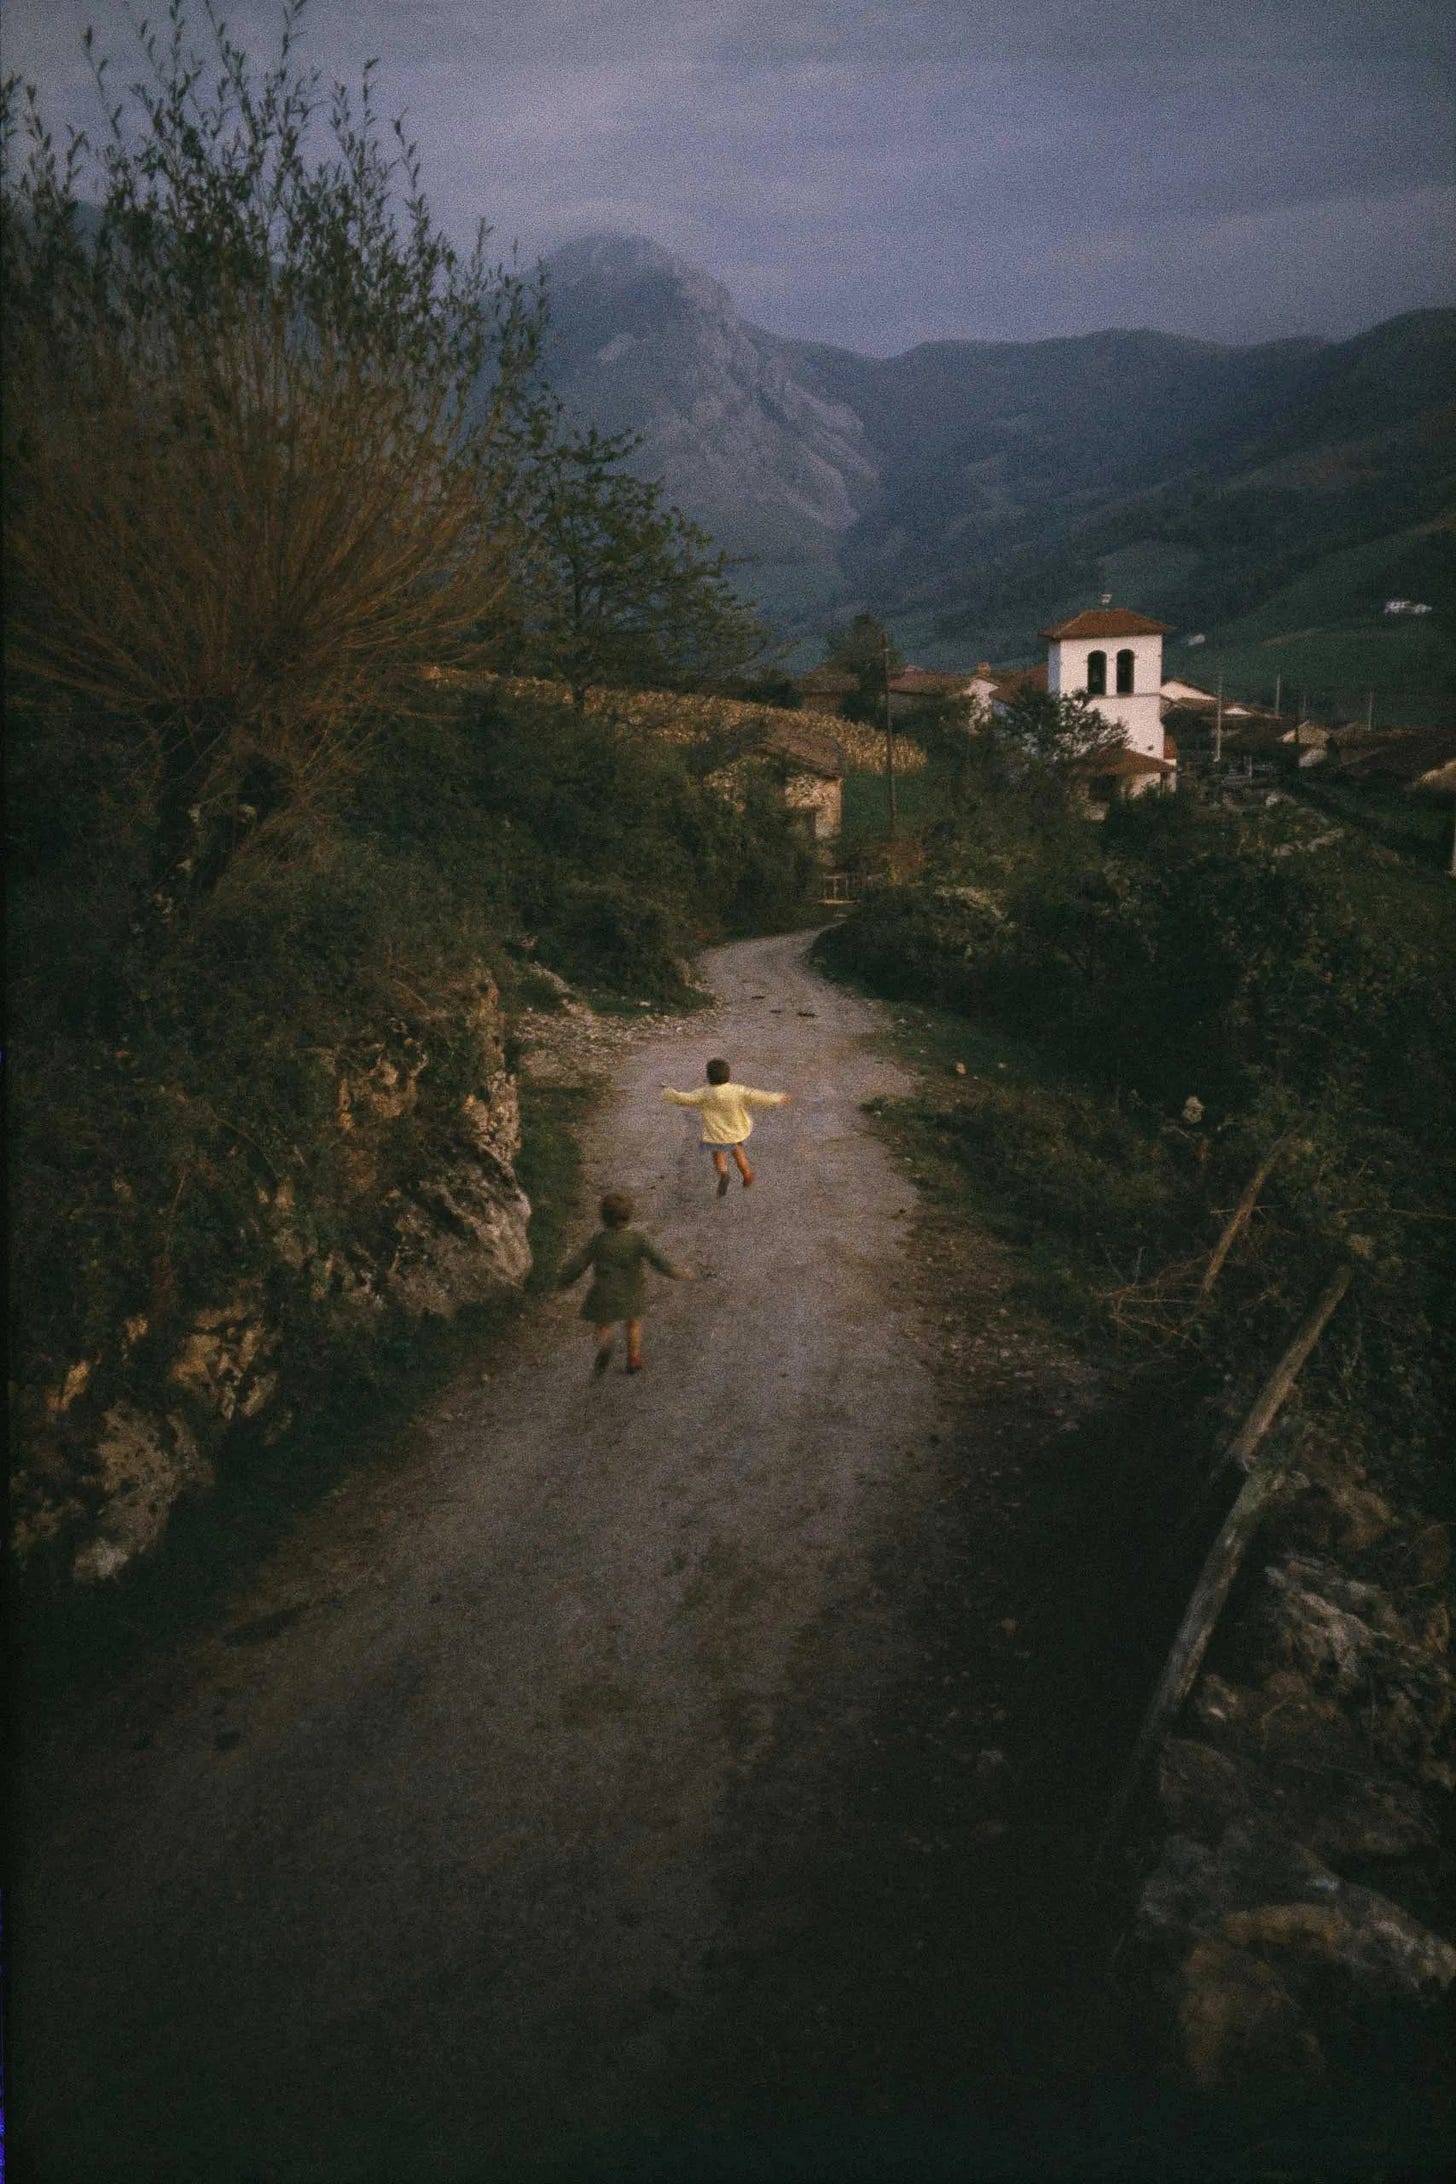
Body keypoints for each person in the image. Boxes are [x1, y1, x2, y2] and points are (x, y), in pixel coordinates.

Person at [557, 1191, 696, 1375]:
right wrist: (678, 1273)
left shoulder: (598, 1240)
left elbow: (580, 1262)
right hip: (632, 1291)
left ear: (603, 1217)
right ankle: (633, 1359)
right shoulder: (638, 1239)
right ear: (629, 1215)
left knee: (604, 1325)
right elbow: (658, 1261)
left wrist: (563, 1278)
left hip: (604, 1292)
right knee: (633, 1324)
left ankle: (605, 1344)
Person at [662, 1057, 792, 1196]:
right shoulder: (738, 1091)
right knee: (738, 1152)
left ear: (708, 1077)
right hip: (736, 1132)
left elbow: (686, 1099)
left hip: (716, 1135)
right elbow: (758, 1096)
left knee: (718, 1155)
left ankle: (724, 1173)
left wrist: (670, 1093)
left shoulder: (704, 1093)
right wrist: (778, 1098)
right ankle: (747, 1173)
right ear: (728, 1075)